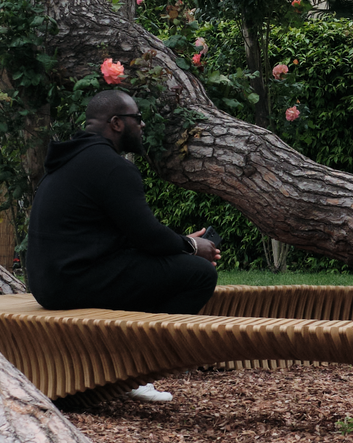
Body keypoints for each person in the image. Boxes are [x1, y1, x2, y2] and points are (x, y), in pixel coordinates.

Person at [26, 88, 221, 315]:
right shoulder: (111, 166)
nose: (143, 125)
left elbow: (131, 236)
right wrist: (192, 246)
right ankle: (153, 346)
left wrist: (181, 244)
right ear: (116, 123)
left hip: (51, 285)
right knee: (200, 272)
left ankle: (135, 335)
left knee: (166, 269)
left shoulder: (70, 159)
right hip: (74, 283)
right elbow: (148, 236)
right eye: (137, 118)